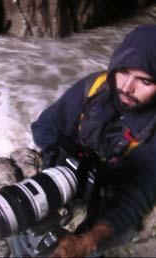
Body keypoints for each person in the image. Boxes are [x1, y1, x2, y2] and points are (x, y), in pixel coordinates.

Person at [31, 24, 156, 257]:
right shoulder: (96, 86)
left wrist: (89, 240)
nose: (127, 88)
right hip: (69, 173)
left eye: (145, 81)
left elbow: (135, 197)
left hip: (112, 194)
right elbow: (45, 126)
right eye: (124, 71)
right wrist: (60, 159)